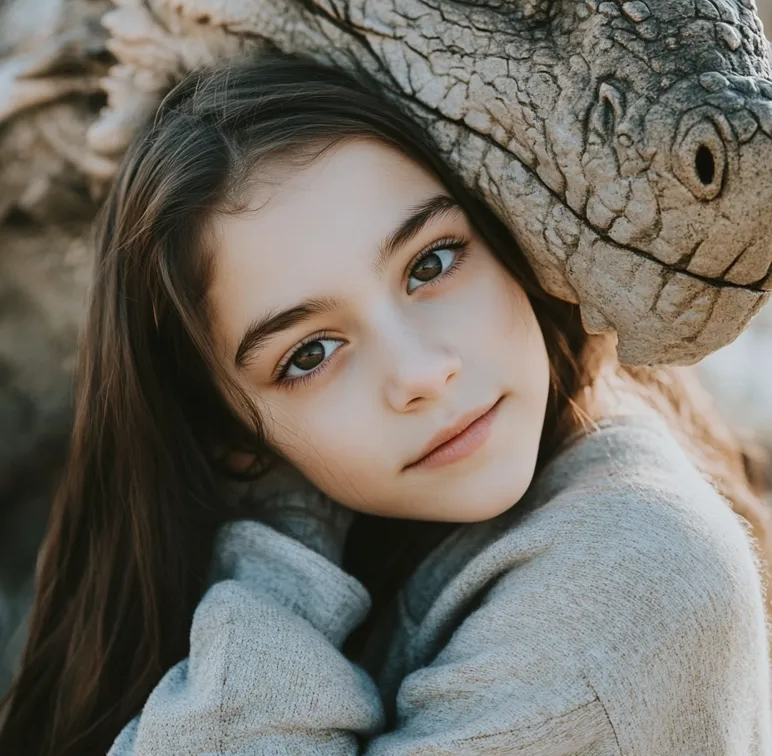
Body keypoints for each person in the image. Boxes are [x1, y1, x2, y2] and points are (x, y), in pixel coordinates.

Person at [0, 55, 770, 756]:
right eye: (310, 354)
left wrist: (285, 528)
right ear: (234, 437)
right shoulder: (401, 541)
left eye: (432, 263)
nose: (422, 373)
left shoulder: (628, 582)